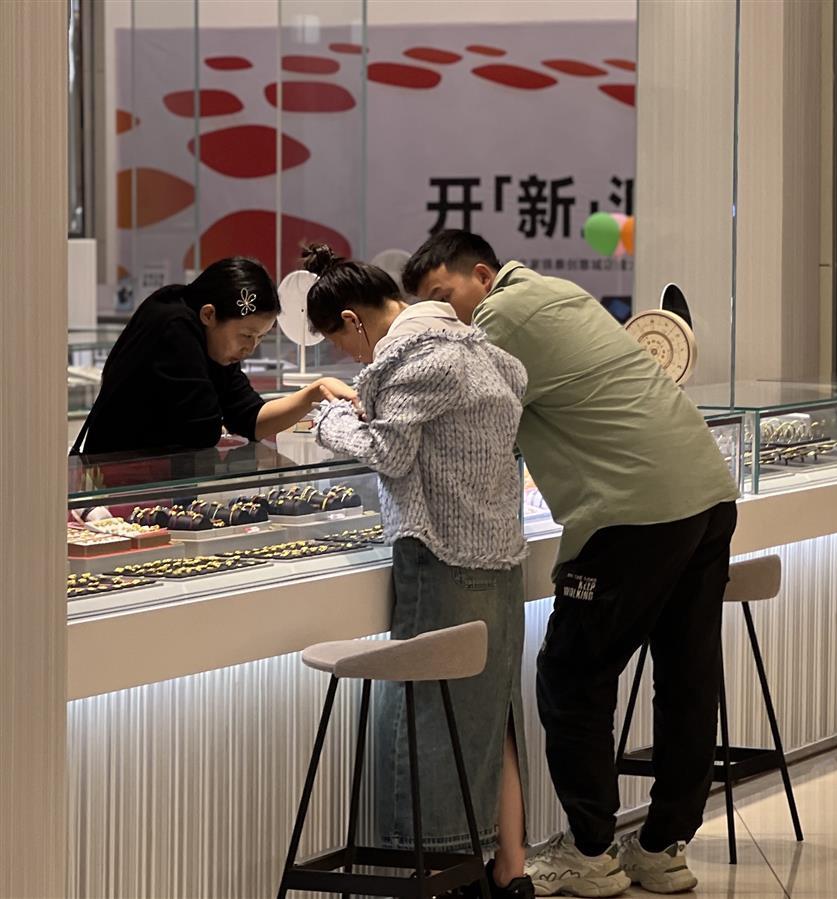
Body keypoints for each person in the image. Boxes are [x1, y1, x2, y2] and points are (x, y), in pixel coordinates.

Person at [403, 231, 740, 897]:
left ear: (482, 275)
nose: (444, 316)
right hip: (706, 493)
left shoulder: (499, 317)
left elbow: (441, 411)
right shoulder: (557, 294)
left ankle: (589, 851)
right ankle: (663, 847)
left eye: (445, 296)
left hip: (633, 509)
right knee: (687, 674)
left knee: (571, 675)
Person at [301, 244, 533, 899]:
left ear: (354, 320)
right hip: (501, 560)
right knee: (491, 719)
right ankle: (508, 869)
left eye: (339, 343)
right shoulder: (489, 354)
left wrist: (331, 418)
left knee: (428, 717)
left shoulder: (414, 362)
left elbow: (390, 453)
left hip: (442, 560)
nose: (348, 360)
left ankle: (438, 875)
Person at [72, 257, 356, 455]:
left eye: (260, 338)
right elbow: (201, 431)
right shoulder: (174, 326)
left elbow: (250, 419)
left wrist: (313, 393)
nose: (250, 348)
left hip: (157, 484)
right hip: (121, 484)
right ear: (209, 315)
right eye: (246, 335)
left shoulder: (213, 343)